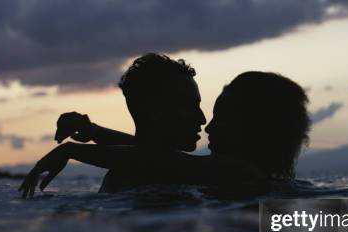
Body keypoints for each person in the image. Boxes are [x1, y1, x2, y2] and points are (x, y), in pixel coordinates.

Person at [19, 71, 310, 197]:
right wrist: (95, 132)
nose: (208, 125)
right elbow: (153, 155)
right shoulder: (240, 174)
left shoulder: (237, 170)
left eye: (222, 118)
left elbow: (154, 161)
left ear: (253, 128)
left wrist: (71, 151)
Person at [49, 52, 206, 192]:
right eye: (189, 106)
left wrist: (85, 139)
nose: (202, 119)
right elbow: (152, 157)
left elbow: (150, 155)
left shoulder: (125, 173)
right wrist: (93, 133)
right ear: (153, 112)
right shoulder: (161, 173)